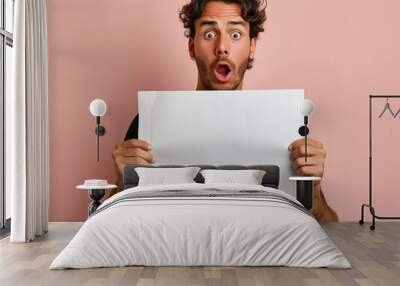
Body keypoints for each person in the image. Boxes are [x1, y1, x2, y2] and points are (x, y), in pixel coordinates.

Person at [112, 0, 338, 222]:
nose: (221, 46)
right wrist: (123, 180)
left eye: (236, 34)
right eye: (209, 34)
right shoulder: (147, 123)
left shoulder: (288, 127)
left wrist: (314, 188)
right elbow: (109, 224)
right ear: (192, 46)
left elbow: (330, 228)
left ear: (252, 47)